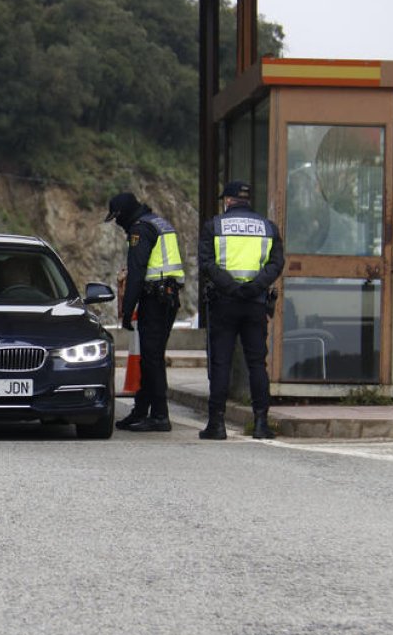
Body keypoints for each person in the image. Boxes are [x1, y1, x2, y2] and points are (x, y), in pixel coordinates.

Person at [197, 180, 285, 440]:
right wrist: (253, 287)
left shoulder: (214, 225)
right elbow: (276, 263)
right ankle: (260, 423)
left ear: (228, 201)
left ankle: (217, 424)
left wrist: (232, 288)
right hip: (255, 302)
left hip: (224, 302)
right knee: (257, 363)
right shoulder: (268, 227)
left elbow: (206, 263)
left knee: (221, 362)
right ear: (247, 201)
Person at [105, 192, 184, 432]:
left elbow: (137, 272)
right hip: (167, 297)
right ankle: (141, 410)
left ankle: (160, 416)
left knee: (152, 359)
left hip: (155, 299)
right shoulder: (159, 222)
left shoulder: (140, 229)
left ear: (124, 213)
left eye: (117, 218)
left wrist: (127, 311)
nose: (118, 224)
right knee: (152, 357)